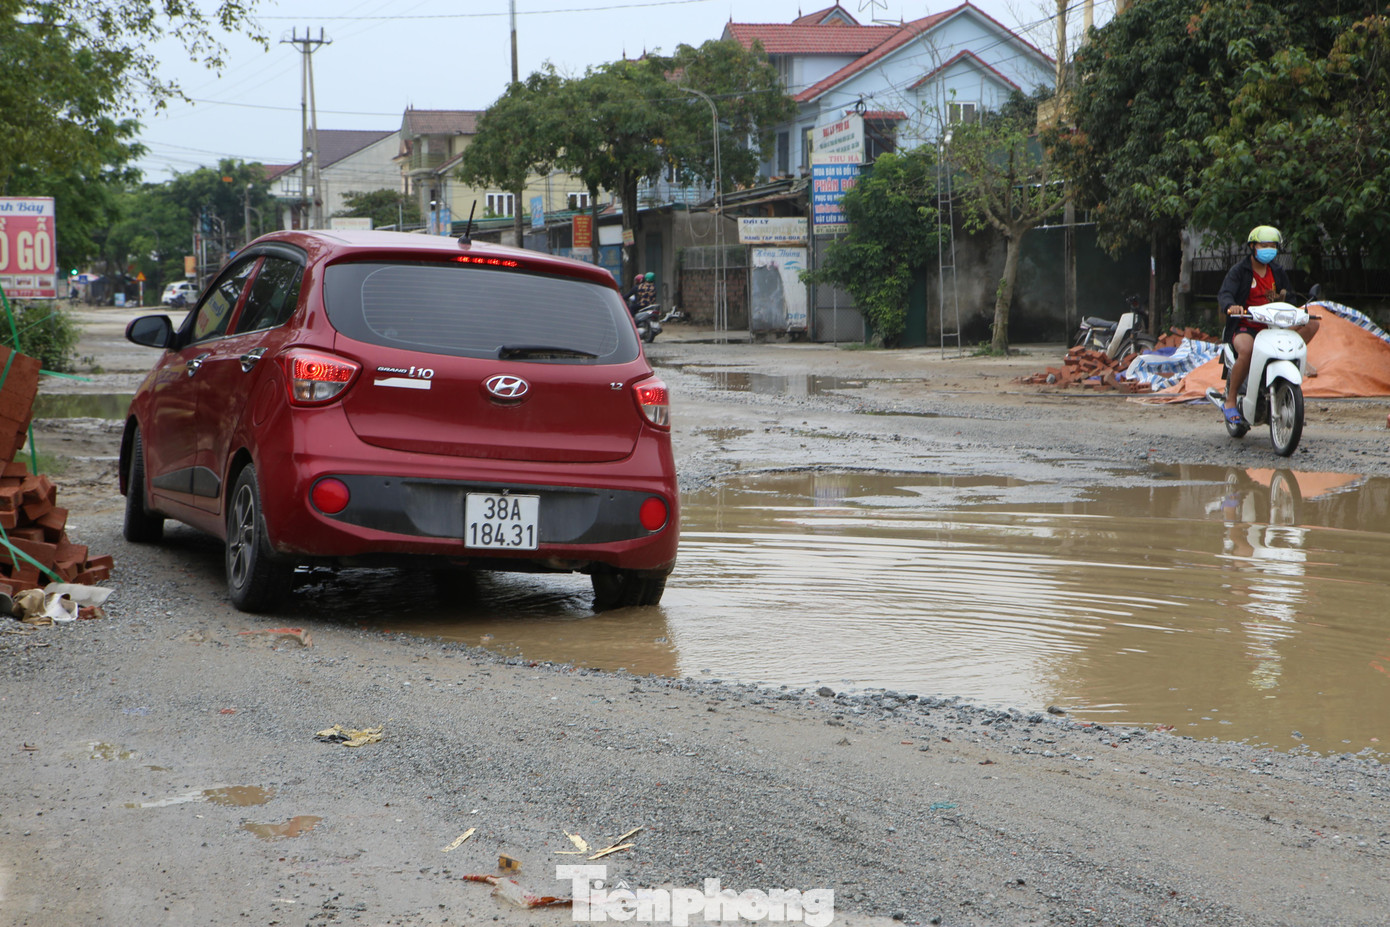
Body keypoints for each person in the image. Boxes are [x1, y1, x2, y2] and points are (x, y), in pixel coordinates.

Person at [1215, 225, 1320, 425]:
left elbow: (1289, 296)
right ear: (1252, 247)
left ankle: (1285, 386)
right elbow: (1225, 293)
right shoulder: (1240, 271)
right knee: (1246, 350)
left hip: (1274, 327)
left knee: (1311, 326)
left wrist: (1291, 303)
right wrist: (1232, 306)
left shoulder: (1277, 271)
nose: (1268, 249)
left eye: (1272, 246)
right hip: (1246, 325)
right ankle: (1230, 401)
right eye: (1264, 245)